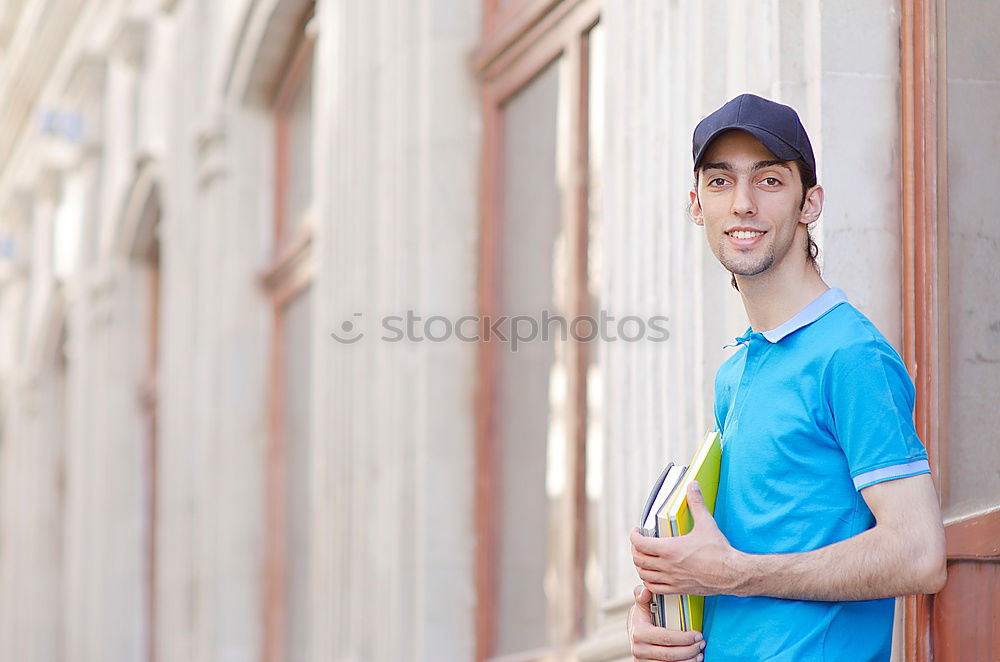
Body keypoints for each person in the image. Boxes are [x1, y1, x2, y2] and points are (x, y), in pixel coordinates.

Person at [625, 94, 947, 662]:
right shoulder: (736, 371)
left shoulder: (851, 356)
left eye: (769, 181)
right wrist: (660, 610)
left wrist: (732, 574)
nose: (743, 204)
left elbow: (918, 553)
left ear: (809, 203)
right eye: (721, 182)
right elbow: (747, 551)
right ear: (697, 205)